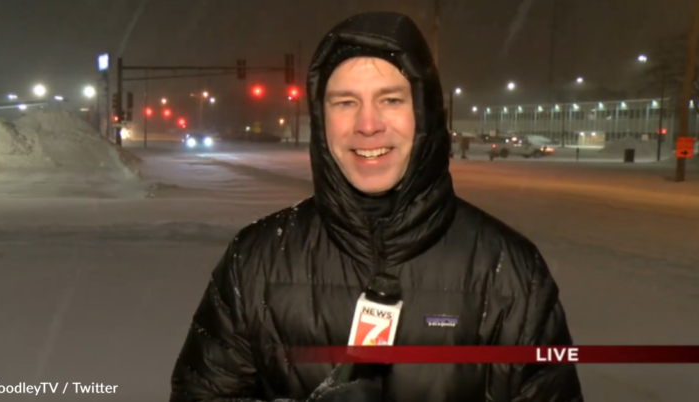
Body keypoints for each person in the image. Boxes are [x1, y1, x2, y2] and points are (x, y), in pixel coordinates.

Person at [170, 11, 583, 402]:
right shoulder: (255, 262)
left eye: (390, 100)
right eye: (345, 102)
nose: (368, 125)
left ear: (425, 113)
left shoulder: (510, 272)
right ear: (321, 118)